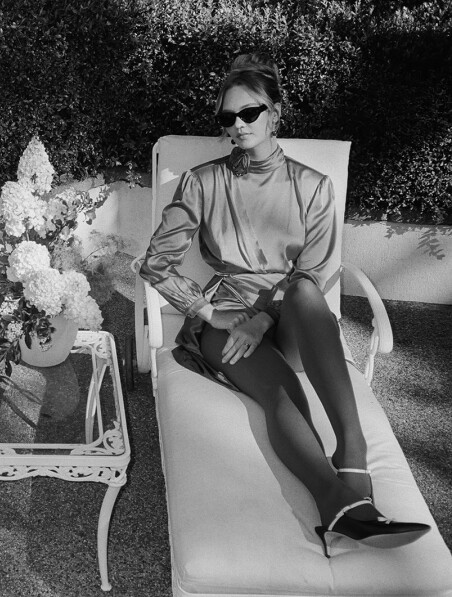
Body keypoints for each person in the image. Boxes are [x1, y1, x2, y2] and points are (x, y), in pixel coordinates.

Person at [139, 53, 429, 558]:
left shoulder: (313, 185)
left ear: (275, 113)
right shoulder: (202, 182)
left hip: (293, 318)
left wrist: (265, 318)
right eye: (228, 117)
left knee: (304, 291)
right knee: (282, 392)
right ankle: (339, 507)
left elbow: (313, 272)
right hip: (228, 316)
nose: (238, 125)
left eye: (250, 112)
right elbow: (155, 262)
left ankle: (353, 448)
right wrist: (209, 312)